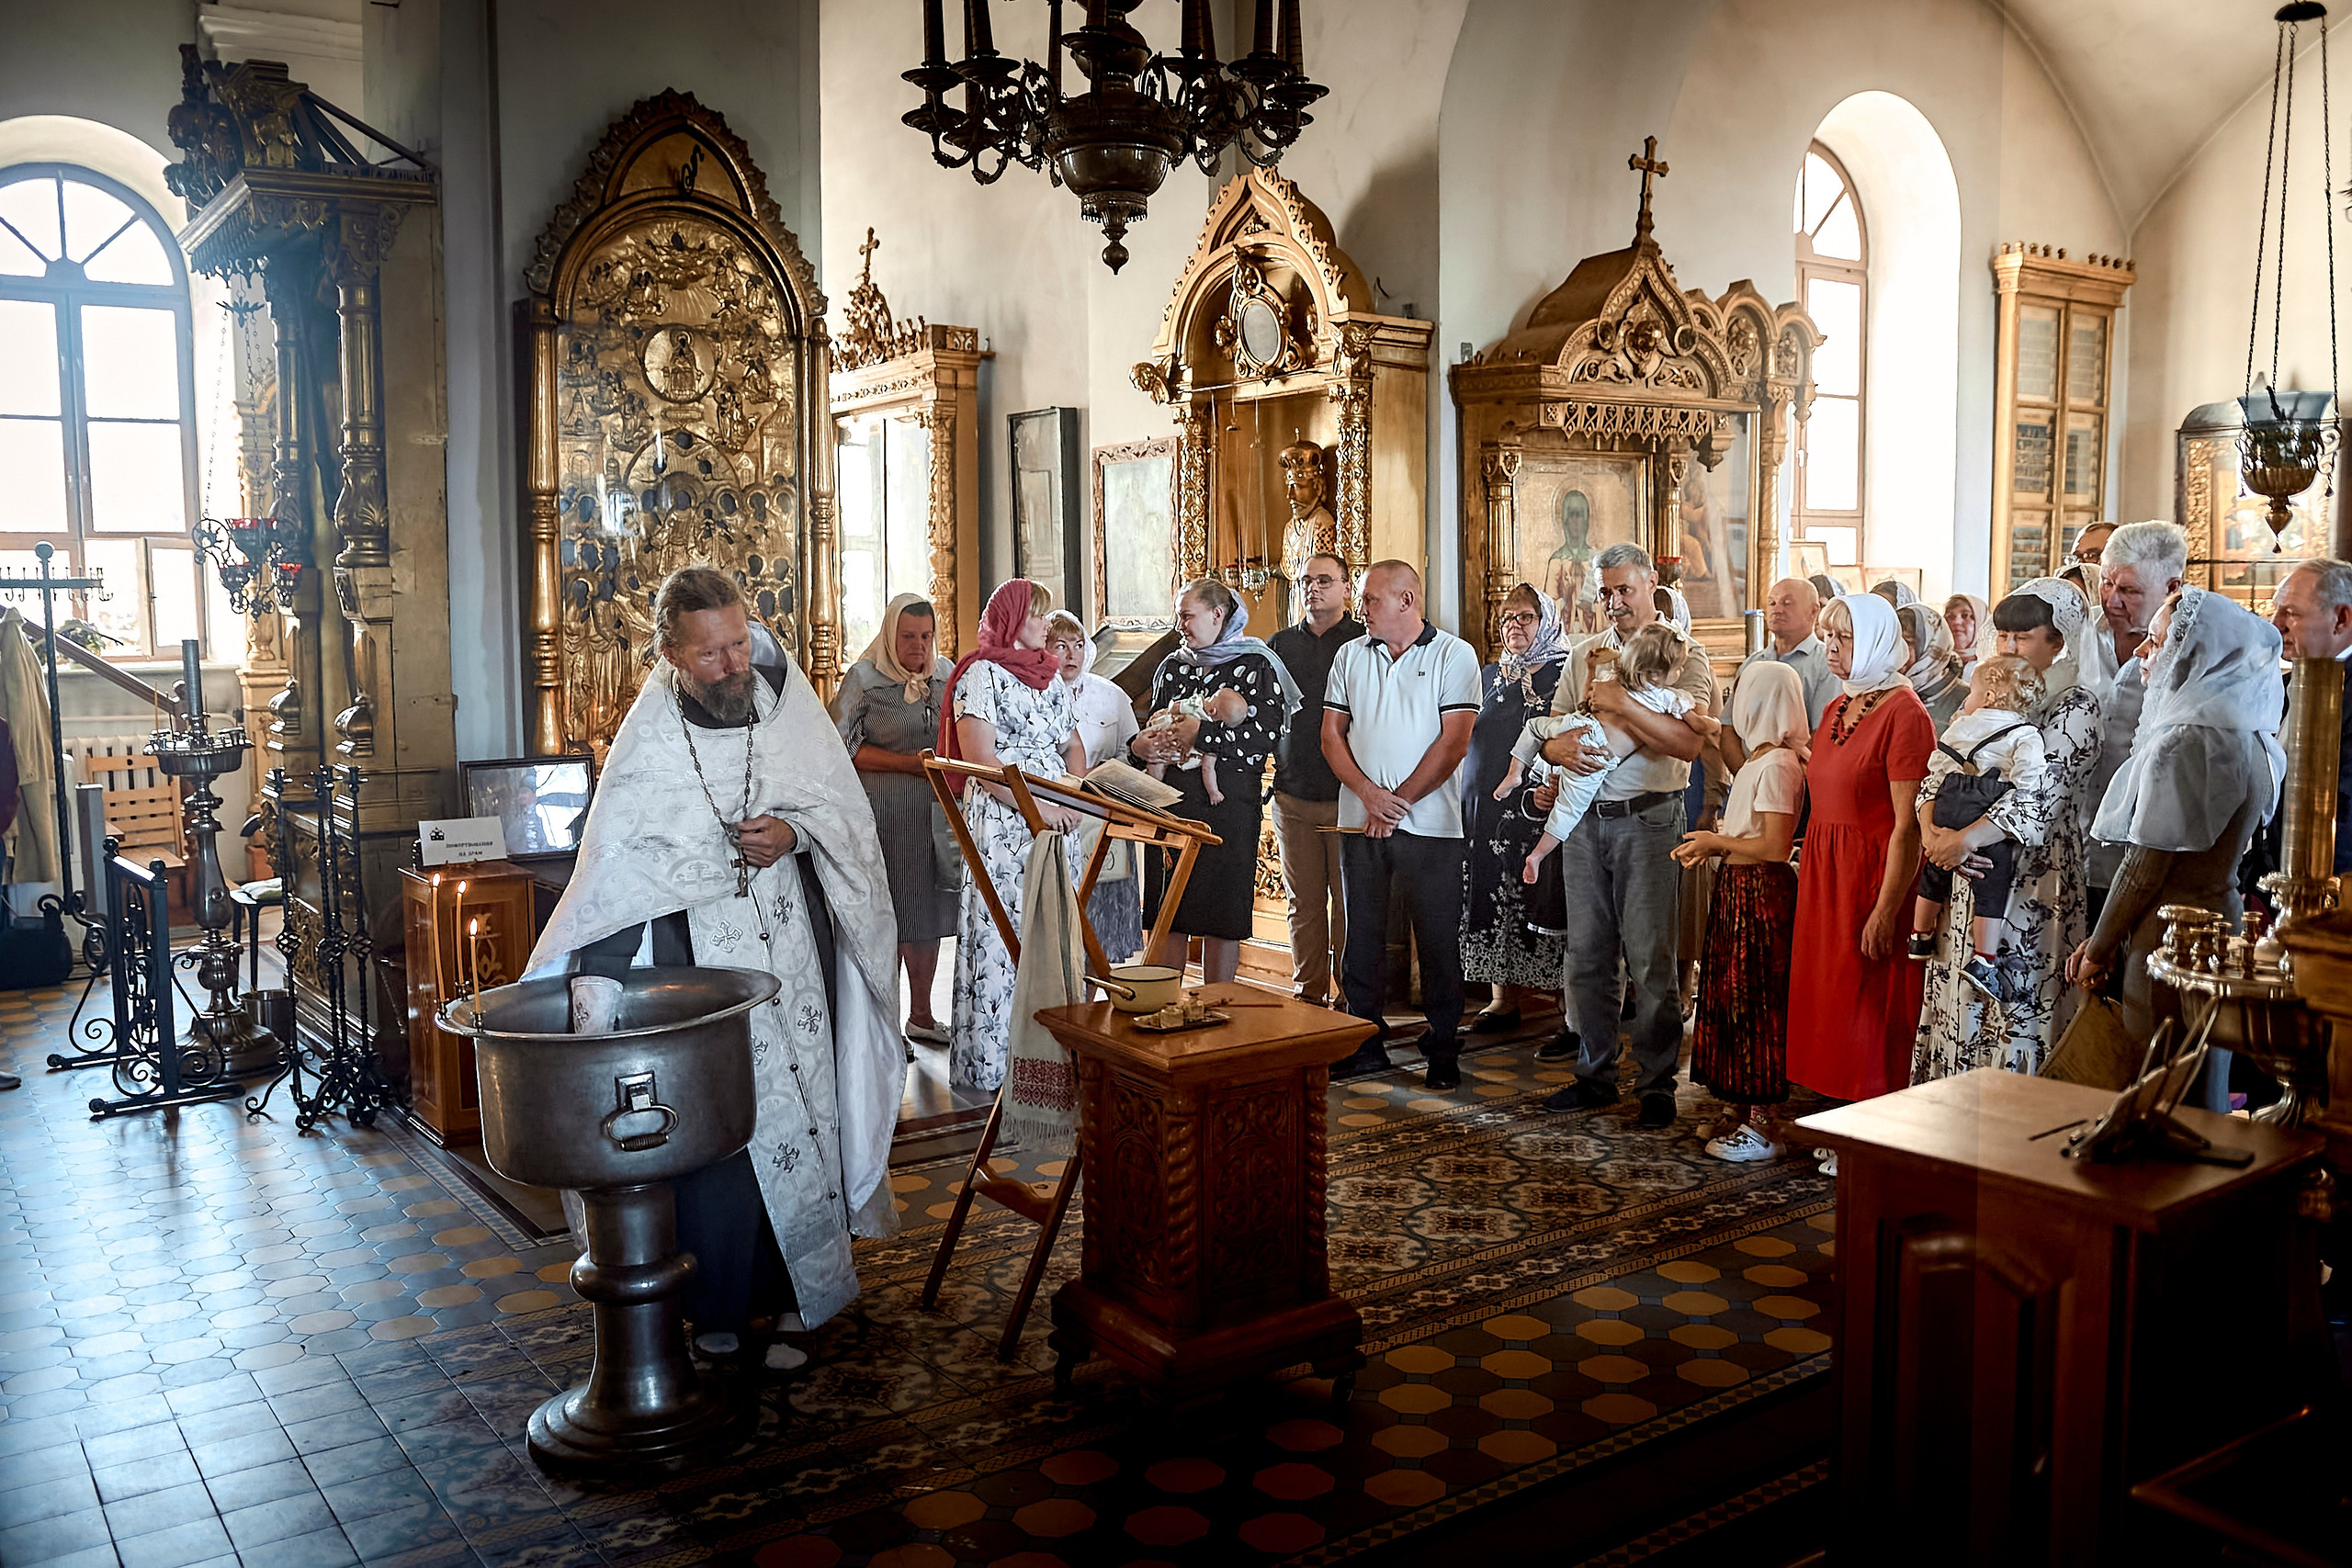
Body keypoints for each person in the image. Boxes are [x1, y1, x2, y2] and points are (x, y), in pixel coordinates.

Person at [532, 566, 905, 1356]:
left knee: (805, 1115)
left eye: (740, 643)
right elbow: (617, 874)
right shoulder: (649, 744)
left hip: (797, 951)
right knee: (720, 1138)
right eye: (713, 655)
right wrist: (591, 1004)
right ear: (670, 652)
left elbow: (840, 818)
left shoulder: (785, 705)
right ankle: (726, 1308)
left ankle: (802, 1296)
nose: (735, 665)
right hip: (692, 962)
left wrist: (793, 836)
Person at [2070, 587, 2285, 1111]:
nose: (2143, 651)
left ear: (2195, 654)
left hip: (2169, 937)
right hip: (2223, 923)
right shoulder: (2251, 731)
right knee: (2202, 1080)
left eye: (2158, 641)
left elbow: (2143, 868)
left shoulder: (2188, 740)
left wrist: (2098, 948)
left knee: (2158, 1089)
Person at [1536, 543, 1715, 1130]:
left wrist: (1618, 703)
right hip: (1586, 823)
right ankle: (1595, 1075)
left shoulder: (1684, 656)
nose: (1615, 604)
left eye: (1626, 591)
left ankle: (1658, 1083)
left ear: (1651, 588)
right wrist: (1550, 751)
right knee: (1587, 956)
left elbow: (1688, 744)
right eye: (1606, 592)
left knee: (1651, 960)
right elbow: (1557, 724)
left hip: (1650, 819)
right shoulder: (1585, 653)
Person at [1911, 579, 2106, 1082]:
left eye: (2022, 638)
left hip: (2031, 872)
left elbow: (2041, 795)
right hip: (1964, 863)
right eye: (2002, 636)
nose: (2008, 648)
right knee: (1963, 991)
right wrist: (1931, 828)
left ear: (2057, 641)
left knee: (2017, 998)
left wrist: (1961, 841)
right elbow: (1943, 766)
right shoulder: (1987, 695)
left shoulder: (2075, 706)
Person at [1785, 594, 1934, 1170]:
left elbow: (1907, 827)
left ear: (1873, 640)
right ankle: (1842, 1117)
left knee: (1869, 1003)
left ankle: (1872, 1132)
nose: (1830, 650)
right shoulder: (1838, 707)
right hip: (1827, 869)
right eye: (1826, 637)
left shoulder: (1905, 713)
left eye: (1841, 639)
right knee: (1833, 996)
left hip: (1872, 874)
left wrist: (1884, 907)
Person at [1322, 560, 1481, 1089]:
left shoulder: (1453, 655)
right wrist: (1370, 796)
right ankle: (1364, 1042)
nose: (1361, 608)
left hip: (1431, 825)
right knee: (1360, 935)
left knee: (1437, 938)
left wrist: (1401, 801)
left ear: (1406, 601)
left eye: (1370, 599)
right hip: (1360, 820)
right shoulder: (1349, 654)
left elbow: (1455, 740)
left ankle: (1442, 1049)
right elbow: (1331, 735)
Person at [939, 579, 1088, 1092]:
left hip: (1056, 816)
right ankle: (996, 1064)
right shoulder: (980, 675)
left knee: (1053, 932)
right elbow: (978, 763)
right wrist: (1037, 808)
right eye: (1036, 617)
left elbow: (1072, 745)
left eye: (1047, 618)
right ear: (1010, 620)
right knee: (1004, 934)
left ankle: (1054, 1058)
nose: (1046, 627)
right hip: (1006, 821)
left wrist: (1076, 793)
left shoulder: (1051, 678)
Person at [1673, 661, 1808, 1163]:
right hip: (1739, 888)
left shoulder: (1777, 765)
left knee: (1756, 1003)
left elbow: (1773, 846)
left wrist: (1715, 841)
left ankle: (1763, 1123)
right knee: (1732, 996)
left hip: (1760, 892)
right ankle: (1738, 1106)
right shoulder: (1761, 759)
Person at [1131, 580, 1295, 986]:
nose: (1179, 624)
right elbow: (1154, 723)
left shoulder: (1257, 663)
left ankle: (1219, 1006)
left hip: (1228, 803)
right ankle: (1163, 1005)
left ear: (1218, 615)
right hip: (1170, 803)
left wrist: (1200, 737)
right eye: (1178, 615)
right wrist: (1144, 747)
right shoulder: (1172, 666)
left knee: (1223, 913)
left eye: (1187, 615)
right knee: (1170, 910)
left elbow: (1265, 737)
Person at [832, 594, 959, 1045]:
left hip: (937, 815)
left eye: (926, 637)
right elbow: (839, 748)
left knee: (927, 913)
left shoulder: (947, 676)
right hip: (885, 812)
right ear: (890, 634)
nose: (919, 648)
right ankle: (885, 1025)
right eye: (908, 637)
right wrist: (906, 764)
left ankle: (921, 1015)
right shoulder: (865, 680)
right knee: (891, 917)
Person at [1503, 625, 1717, 881]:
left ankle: (1515, 773)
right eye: (1677, 669)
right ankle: (1537, 856)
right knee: (1567, 812)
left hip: (1579, 726)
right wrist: (1716, 723)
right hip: (1597, 757)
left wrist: (1592, 669)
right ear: (1660, 673)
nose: (1681, 672)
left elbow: (1585, 705)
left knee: (1534, 727)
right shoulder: (1670, 699)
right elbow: (1699, 726)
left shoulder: (1614, 682)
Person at [1458, 583, 1570, 1037]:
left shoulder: (1564, 674)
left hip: (1539, 806)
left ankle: (1568, 1012)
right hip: (1484, 807)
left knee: (1546, 898)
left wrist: (1550, 785)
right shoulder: (1490, 675)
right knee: (1489, 890)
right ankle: (1503, 1000)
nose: (1513, 626)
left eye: (1525, 617)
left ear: (1546, 620)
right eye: (1506, 618)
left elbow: (1573, 732)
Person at [1905, 655, 2049, 997]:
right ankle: (1984, 959)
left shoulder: (1960, 725)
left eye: (1972, 691)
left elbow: (1936, 768)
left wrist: (1934, 827)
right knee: (1990, 884)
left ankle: (1920, 934)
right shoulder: (2026, 733)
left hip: (1948, 802)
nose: (1967, 699)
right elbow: (2029, 781)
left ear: (1987, 697)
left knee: (1933, 873)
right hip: (1986, 809)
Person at [1267, 553, 1363, 1008]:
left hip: (1350, 795)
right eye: (1305, 580)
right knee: (1303, 905)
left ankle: (1350, 996)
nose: (1313, 588)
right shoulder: (1280, 645)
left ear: (1347, 586)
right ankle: (1308, 994)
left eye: (1324, 580)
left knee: (1349, 905)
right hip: (1293, 793)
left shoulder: (1366, 642)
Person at [2080, 522, 2187, 921]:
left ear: (2172, 586)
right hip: (2067, 848)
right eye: (2107, 583)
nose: (2112, 600)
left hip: (2143, 855)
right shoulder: (2076, 633)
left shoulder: (2192, 652)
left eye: (2129, 590)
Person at [2246, 558, 2352, 888]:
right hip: (2274, 879)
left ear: (2341, 619)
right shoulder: (2279, 685)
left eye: (2290, 613)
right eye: (2275, 611)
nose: (2275, 624)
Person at [1046, 610, 1144, 963]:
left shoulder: (1111, 694)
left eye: (1077, 645)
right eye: (1060, 645)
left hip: (1102, 816)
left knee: (1101, 923)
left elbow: (1129, 752)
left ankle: (1093, 998)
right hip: (1053, 813)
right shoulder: (1033, 693)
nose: (1071, 654)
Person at [1730, 579, 1838, 756]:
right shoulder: (1753, 663)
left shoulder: (1826, 663)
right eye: (1772, 603)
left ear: (1813, 611)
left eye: (1787, 603)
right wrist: (1746, 770)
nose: (1777, 609)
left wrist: (1783, 770)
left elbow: (1822, 733)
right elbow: (1729, 728)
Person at [1897, 601, 1967, 729]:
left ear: (1931, 648)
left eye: (1907, 643)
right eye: (1894, 641)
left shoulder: (1965, 699)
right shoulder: (1883, 691)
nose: (1897, 650)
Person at [1945, 592, 1991, 682]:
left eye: (1965, 615)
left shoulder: (1992, 667)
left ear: (1981, 621)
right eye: (1950, 617)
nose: (1956, 622)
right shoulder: (1936, 664)